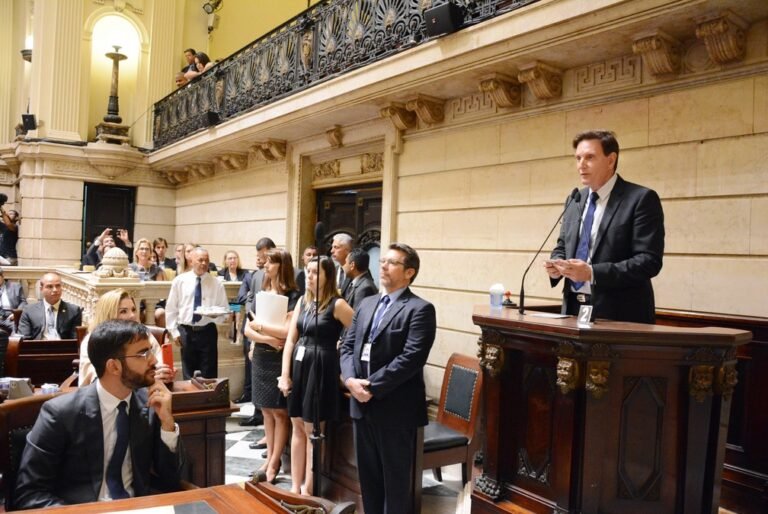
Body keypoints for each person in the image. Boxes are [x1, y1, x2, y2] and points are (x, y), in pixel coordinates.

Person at [14, 320, 186, 509]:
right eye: (143, 353)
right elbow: (29, 494)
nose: (153, 360)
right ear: (113, 367)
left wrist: (168, 425)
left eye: (150, 351)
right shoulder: (60, 414)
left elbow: (171, 480)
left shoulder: (149, 404)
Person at [339, 243, 436, 514]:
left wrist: (371, 387)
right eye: (383, 261)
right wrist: (350, 381)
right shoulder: (368, 304)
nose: (383, 266)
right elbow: (348, 346)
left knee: (395, 486)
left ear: (409, 273)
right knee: (369, 483)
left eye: (392, 263)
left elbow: (411, 358)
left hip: (395, 409)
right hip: (361, 405)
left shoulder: (420, 309)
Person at [545, 130, 665, 324]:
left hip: (619, 313)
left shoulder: (640, 199)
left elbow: (648, 261)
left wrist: (592, 273)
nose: (581, 165)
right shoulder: (575, 199)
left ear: (611, 160)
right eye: (578, 158)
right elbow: (563, 245)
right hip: (573, 309)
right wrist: (558, 264)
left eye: (590, 157)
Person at [279, 256, 353, 495]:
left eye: (314, 272)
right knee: (296, 425)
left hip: (321, 367)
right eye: (307, 271)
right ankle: (294, 487)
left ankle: (309, 492)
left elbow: (359, 332)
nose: (308, 276)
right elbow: (291, 339)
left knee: (313, 431)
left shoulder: (337, 304)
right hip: (300, 366)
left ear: (327, 276)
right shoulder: (303, 301)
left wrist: (343, 355)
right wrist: (284, 374)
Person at [244, 248, 300, 481]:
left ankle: (274, 463)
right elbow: (248, 329)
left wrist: (260, 326)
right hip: (263, 355)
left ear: (281, 266)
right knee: (266, 410)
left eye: (270, 262)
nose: (265, 266)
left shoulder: (295, 296)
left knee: (279, 412)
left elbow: (287, 332)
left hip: (280, 358)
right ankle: (268, 459)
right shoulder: (262, 292)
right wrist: (266, 336)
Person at [78, 289, 172, 386]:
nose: (132, 315)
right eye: (123, 311)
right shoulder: (92, 341)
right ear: (108, 314)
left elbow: (160, 363)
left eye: (133, 309)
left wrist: (163, 373)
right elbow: (94, 378)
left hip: (148, 391)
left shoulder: (145, 335)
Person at [165, 247, 228, 379]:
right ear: (191, 261)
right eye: (200, 260)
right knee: (188, 373)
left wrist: (215, 317)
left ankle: (208, 398)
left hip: (208, 331)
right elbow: (171, 308)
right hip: (186, 331)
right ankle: (191, 399)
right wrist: (174, 331)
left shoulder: (217, 284)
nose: (204, 263)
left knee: (209, 375)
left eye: (206, 260)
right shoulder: (180, 281)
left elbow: (224, 311)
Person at [234, 236, 275, 412]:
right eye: (259, 256)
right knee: (252, 367)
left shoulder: (293, 275)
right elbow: (246, 297)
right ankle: (256, 406)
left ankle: (261, 410)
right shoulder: (255, 275)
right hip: (254, 325)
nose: (262, 260)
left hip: (273, 334)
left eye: (264, 255)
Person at [18, 272, 82, 340]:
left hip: (63, 348)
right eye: (50, 286)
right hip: (37, 348)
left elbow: (75, 340)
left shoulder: (74, 311)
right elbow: (24, 338)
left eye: (58, 286)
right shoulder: (29, 310)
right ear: (41, 289)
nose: (55, 290)